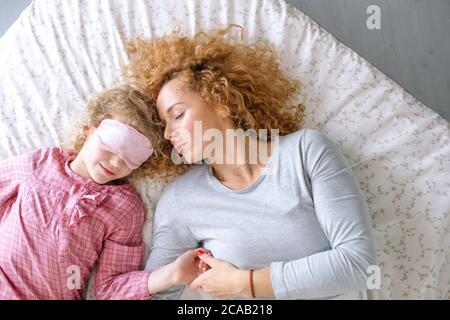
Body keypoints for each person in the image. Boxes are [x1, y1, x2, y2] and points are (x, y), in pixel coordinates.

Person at [125, 25, 378, 300]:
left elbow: (359, 264)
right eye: (163, 124)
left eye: (177, 114)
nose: (167, 133)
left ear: (220, 101)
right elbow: (154, 296)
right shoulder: (180, 198)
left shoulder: (306, 152)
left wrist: (246, 283)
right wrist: (172, 276)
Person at [0, 86, 206, 299]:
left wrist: (171, 274)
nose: (117, 162)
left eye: (131, 157)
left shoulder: (124, 208)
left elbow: (110, 288)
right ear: (89, 131)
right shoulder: (40, 164)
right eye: (112, 144)